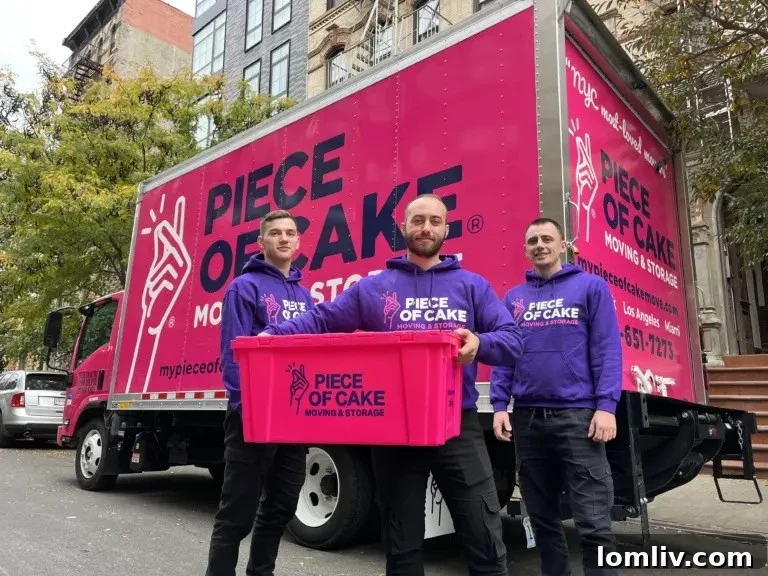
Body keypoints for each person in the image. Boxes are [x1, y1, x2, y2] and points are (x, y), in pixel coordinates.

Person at [261, 194, 523, 576]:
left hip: (456, 423)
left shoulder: (472, 286)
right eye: (418, 221)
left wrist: (480, 344)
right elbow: (321, 319)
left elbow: (512, 340)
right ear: (403, 227)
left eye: (435, 221)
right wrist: (272, 334)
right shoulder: (376, 288)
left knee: (483, 536)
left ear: (446, 230)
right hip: (394, 429)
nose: (426, 228)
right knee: (402, 546)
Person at [489, 217, 622, 576]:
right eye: (532, 240)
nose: (540, 245)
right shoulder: (514, 298)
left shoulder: (591, 288)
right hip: (528, 419)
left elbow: (607, 350)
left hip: (578, 418)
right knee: (543, 520)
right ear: (526, 249)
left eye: (547, 239)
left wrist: (606, 407)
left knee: (594, 523)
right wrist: (500, 405)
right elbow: (505, 354)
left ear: (562, 245)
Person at [205, 209, 315, 576]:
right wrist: (244, 405)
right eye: (275, 233)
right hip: (253, 414)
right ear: (261, 242)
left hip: (294, 417)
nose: (284, 238)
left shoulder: (305, 295)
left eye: (290, 233)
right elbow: (233, 351)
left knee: (281, 506)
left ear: (298, 242)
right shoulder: (243, 287)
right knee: (237, 513)